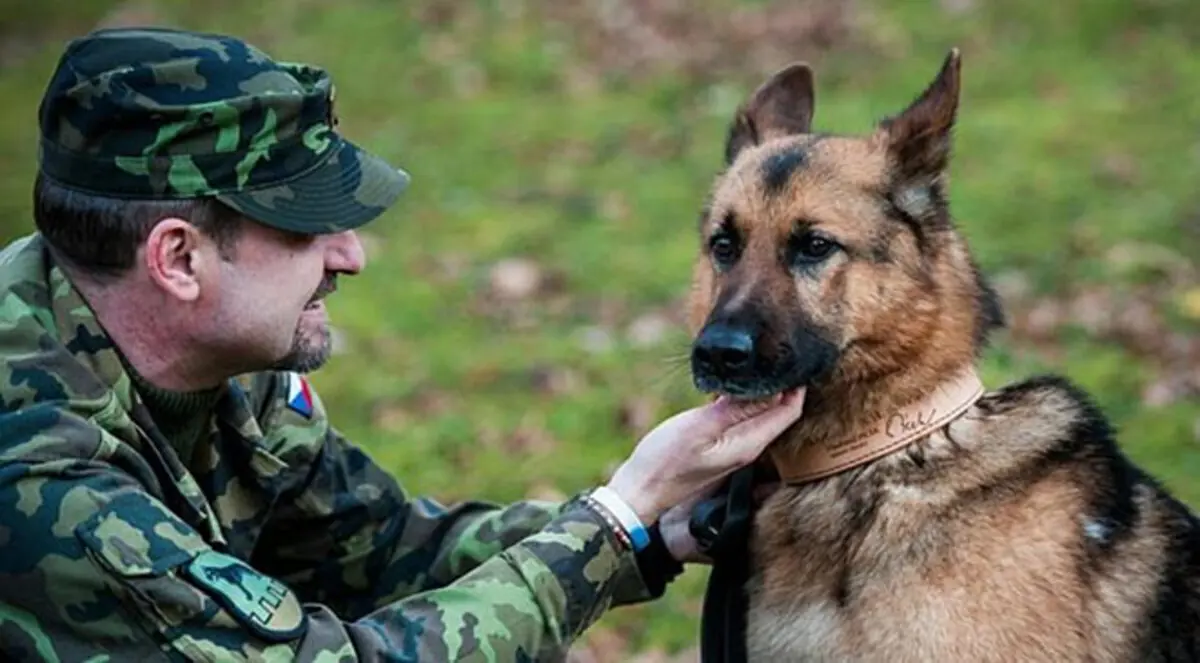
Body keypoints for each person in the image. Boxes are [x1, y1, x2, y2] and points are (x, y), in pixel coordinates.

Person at [0, 26, 807, 662]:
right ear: (179, 259)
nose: (349, 253)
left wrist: (652, 526)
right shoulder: (43, 476)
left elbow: (380, 548)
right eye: (305, 225)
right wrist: (612, 514)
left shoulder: (218, 357)